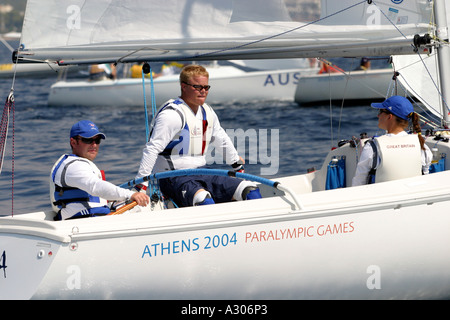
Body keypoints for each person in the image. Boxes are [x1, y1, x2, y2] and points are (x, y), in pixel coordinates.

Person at [135, 64, 262, 207]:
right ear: (183, 86)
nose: (203, 91)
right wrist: (141, 185)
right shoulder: (171, 115)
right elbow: (152, 149)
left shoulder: (208, 112)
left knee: (250, 190)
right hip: (173, 177)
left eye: (206, 87)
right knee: (203, 199)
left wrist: (236, 164)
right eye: (197, 87)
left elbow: (221, 138)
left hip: (203, 171)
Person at [50, 120, 149, 220]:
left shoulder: (79, 163)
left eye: (97, 141)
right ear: (73, 142)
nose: (94, 145)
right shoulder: (74, 166)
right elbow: (96, 186)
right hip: (82, 223)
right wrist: (131, 194)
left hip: (94, 217)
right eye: (88, 140)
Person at [352, 96, 432, 186]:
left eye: (380, 111)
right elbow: (425, 176)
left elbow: (359, 181)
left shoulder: (372, 147)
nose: (378, 115)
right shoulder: (422, 146)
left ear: (389, 117)